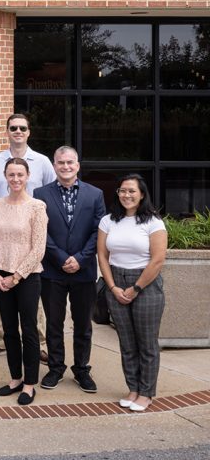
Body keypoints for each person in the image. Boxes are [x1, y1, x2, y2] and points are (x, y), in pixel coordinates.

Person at [0, 114, 55, 363]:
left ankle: (40, 343)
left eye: (22, 128)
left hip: (30, 234)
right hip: (3, 236)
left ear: (29, 131)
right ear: (7, 131)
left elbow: (50, 194)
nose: (18, 131)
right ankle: (0, 339)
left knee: (33, 300)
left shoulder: (43, 162)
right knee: (0, 292)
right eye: (13, 128)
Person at [34, 146, 106, 393]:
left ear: (78, 165)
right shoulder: (40, 194)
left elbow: (98, 230)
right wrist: (62, 257)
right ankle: (55, 368)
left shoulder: (95, 194)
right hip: (52, 271)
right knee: (54, 323)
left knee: (83, 324)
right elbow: (39, 231)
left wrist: (81, 258)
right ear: (54, 165)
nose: (65, 166)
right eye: (61, 162)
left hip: (84, 271)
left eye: (70, 162)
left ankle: (81, 369)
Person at [97, 174, 167, 412]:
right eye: (122, 191)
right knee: (127, 344)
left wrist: (136, 287)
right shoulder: (108, 221)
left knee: (146, 344)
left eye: (132, 191)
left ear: (142, 194)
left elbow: (157, 261)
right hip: (115, 281)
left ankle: (146, 393)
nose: (126, 195)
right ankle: (133, 389)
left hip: (145, 284)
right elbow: (103, 257)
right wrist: (113, 287)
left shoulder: (153, 222)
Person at [0, 157, 48, 406]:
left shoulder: (37, 207)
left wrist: (17, 276)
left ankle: (30, 383)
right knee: (9, 330)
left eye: (20, 175)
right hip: (1, 275)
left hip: (28, 276)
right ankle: (15, 378)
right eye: (11, 175)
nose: (15, 179)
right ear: (5, 176)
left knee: (29, 330)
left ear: (27, 176)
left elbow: (38, 248)